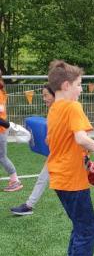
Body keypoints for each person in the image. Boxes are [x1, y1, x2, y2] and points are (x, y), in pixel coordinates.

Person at [46, 60, 94, 256]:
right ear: (67, 85)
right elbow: (81, 139)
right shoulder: (72, 107)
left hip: (61, 175)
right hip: (71, 179)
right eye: (80, 85)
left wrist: (85, 160)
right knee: (88, 228)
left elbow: (66, 143)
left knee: (80, 226)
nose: (81, 89)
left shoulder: (54, 108)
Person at [10, 85, 55, 215]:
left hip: (67, 154)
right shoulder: (53, 110)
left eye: (46, 95)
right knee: (43, 177)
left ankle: (29, 205)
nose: (44, 98)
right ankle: (29, 205)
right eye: (43, 95)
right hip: (57, 154)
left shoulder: (63, 110)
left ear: (55, 94)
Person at [0, 75, 23, 192]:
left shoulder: (0, 93)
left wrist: (9, 126)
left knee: (2, 157)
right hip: (2, 129)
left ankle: (15, 181)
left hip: (1, 130)